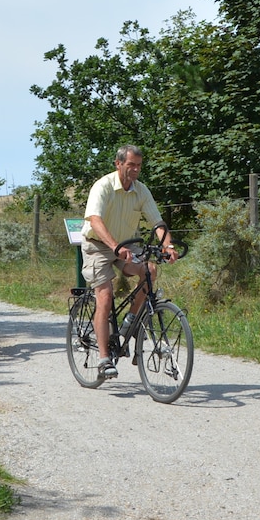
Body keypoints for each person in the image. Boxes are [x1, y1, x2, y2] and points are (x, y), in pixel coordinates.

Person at [81, 144, 173, 381]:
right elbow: (95, 220)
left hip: (126, 245)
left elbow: (157, 223)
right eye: (130, 165)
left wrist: (168, 246)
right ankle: (103, 359)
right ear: (118, 163)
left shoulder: (141, 191)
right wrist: (114, 246)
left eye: (139, 166)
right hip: (98, 244)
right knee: (105, 296)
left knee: (150, 271)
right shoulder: (103, 186)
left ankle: (129, 323)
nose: (135, 170)